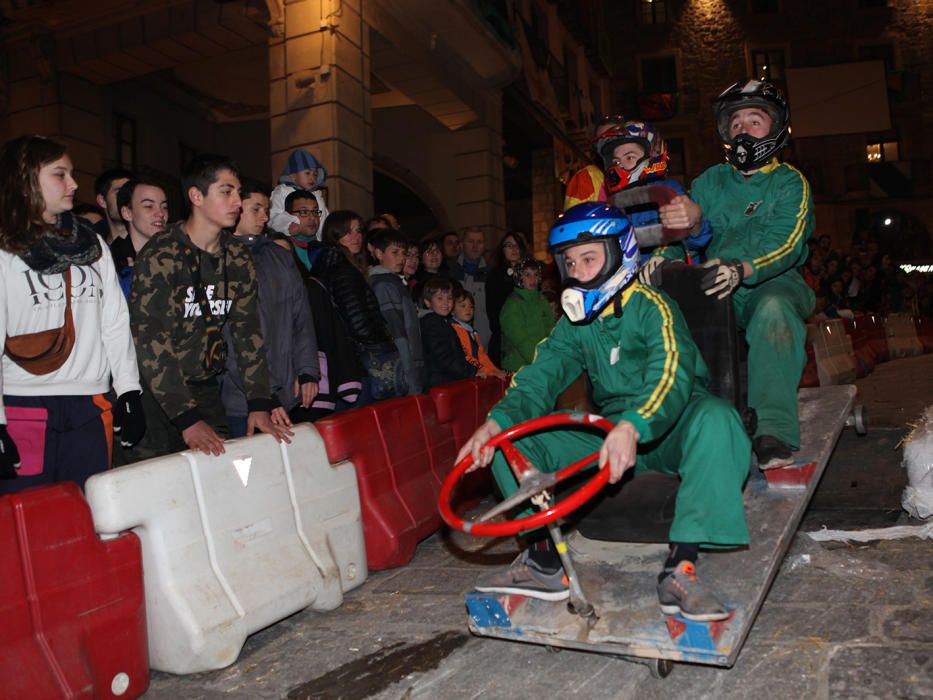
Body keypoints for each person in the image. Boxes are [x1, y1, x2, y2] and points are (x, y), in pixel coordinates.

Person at [456, 202, 751, 620]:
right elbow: (538, 375)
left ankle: (681, 566)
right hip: (610, 432)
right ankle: (543, 561)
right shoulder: (576, 325)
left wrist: (635, 424)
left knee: (719, 419)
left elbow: (672, 371)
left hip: (674, 427)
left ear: (620, 253)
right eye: (570, 262)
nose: (576, 271)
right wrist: (496, 423)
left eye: (588, 258)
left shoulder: (653, 306)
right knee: (510, 442)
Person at [662, 79, 815, 470]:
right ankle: (681, 430)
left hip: (772, 281)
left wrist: (742, 269)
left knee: (775, 310)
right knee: (667, 320)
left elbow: (789, 243)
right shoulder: (709, 182)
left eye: (754, 120)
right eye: (735, 124)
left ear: (775, 128)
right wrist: (670, 247)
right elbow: (689, 232)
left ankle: (773, 431)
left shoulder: (790, 182)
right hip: (714, 283)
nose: (743, 130)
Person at [0, 135, 144, 492]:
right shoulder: (5, 247)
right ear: (27, 179)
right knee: (29, 522)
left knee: (86, 513)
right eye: (60, 174)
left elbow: (114, 319)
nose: (74, 184)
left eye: (72, 174)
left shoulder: (90, 243)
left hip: (90, 404)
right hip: (22, 402)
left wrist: (128, 390)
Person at [128, 154, 290, 458]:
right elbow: (151, 341)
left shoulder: (238, 257)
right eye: (226, 191)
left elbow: (248, 332)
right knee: (153, 487)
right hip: (154, 392)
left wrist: (259, 402)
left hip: (204, 386)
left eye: (237, 193)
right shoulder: (162, 254)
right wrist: (187, 420)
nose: (236, 202)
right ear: (196, 196)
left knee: (219, 476)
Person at [221, 179, 319, 436]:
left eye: (266, 209)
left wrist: (307, 371)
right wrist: (264, 395)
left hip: (287, 392)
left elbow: (301, 317)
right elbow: (229, 339)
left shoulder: (279, 255)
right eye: (256, 209)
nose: (265, 216)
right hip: (243, 400)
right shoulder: (221, 258)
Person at [591, 120, 711, 279]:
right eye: (615, 162)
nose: (618, 167)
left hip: (673, 282)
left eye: (629, 158)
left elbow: (697, 240)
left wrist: (694, 220)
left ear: (652, 156)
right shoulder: (615, 204)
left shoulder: (666, 191)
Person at [311, 210, 404, 402]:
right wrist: (382, 341)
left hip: (348, 358)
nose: (356, 237)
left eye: (358, 231)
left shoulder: (331, 265)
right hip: (362, 360)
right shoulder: (343, 270)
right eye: (348, 232)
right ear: (334, 234)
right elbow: (356, 318)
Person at [368, 227, 424, 396]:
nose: (401, 258)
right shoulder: (385, 284)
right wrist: (409, 374)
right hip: (401, 369)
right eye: (395, 252)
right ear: (378, 253)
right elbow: (397, 333)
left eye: (404, 253)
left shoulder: (393, 282)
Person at [111, 178, 169, 297]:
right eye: (149, 206)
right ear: (127, 213)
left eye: (164, 207)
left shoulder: (177, 256)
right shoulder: (111, 261)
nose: (160, 213)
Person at [420, 276, 479, 389]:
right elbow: (445, 358)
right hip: (439, 383)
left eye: (449, 298)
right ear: (427, 302)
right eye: (440, 298)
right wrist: (470, 372)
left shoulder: (443, 322)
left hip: (446, 381)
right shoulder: (432, 323)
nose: (446, 302)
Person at [499, 258, 555, 373]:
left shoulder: (542, 300)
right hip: (519, 367)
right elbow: (520, 339)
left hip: (542, 363)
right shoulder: (512, 304)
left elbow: (551, 330)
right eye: (527, 275)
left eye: (535, 275)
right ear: (520, 278)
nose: (532, 279)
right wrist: (540, 361)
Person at [485, 231, 529, 365]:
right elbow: (494, 311)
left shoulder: (530, 273)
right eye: (509, 245)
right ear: (502, 250)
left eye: (517, 245)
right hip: (506, 338)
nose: (514, 249)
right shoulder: (495, 276)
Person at [562, 115, 623, 210]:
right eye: (602, 142)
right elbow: (576, 220)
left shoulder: (639, 172)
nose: (608, 147)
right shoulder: (586, 178)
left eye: (615, 139)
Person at [269, 149, 329, 240]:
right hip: (289, 238)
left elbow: (324, 219)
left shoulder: (317, 196)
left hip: (313, 241)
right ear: (292, 176)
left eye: (315, 174)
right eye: (307, 173)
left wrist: (325, 239)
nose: (312, 178)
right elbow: (273, 215)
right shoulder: (282, 192)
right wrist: (289, 224)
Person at [447, 228, 491, 347]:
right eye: (471, 241)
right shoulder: (450, 272)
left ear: (484, 246)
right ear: (462, 244)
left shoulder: (491, 275)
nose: (475, 246)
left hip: (484, 341)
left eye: (479, 242)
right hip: (455, 341)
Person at [450, 288, 505, 379]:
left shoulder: (471, 331)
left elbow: (482, 355)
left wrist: (495, 370)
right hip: (464, 375)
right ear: (452, 310)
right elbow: (466, 357)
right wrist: (486, 371)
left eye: (471, 306)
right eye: (463, 306)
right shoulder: (455, 330)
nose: (468, 309)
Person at [283, 189, 323, 270]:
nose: (312, 217)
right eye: (304, 212)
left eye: (315, 211)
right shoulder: (282, 251)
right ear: (289, 216)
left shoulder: (326, 250)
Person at [94, 168, 133, 242]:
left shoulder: (154, 244)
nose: (127, 199)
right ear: (102, 201)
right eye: (119, 193)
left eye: (131, 193)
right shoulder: (92, 248)